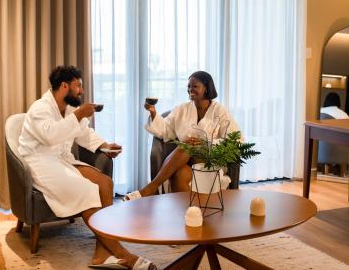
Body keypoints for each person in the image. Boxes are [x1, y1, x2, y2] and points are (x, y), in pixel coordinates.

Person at [19, 65, 156, 270]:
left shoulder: (71, 108)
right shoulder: (40, 108)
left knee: (105, 183)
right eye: (78, 86)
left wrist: (104, 145)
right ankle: (123, 255)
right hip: (40, 162)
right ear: (64, 86)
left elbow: (84, 133)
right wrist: (79, 115)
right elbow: (50, 136)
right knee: (86, 190)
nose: (81, 91)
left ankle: (100, 254)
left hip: (62, 159)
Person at [124, 71, 241, 200]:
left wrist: (206, 143)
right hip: (185, 162)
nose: (190, 89)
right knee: (180, 174)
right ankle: (193, 213)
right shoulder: (182, 109)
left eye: (195, 86)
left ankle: (150, 189)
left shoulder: (219, 111)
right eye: (189, 86)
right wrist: (153, 113)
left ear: (206, 88)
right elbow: (165, 129)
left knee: (187, 145)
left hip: (209, 160)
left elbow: (236, 140)